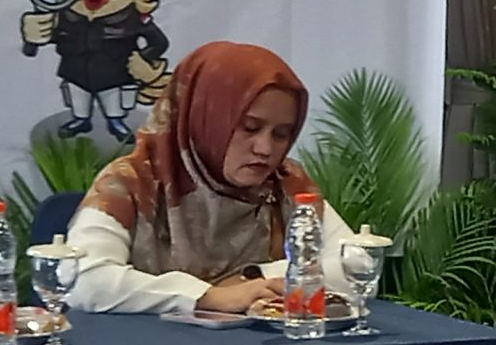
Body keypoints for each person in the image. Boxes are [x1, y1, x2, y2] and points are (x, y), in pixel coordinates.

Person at [65, 40, 313, 315]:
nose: (265, 149)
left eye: (281, 134)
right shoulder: (130, 181)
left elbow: (346, 265)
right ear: (205, 118)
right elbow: (83, 280)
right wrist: (207, 295)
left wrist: (253, 278)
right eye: (250, 128)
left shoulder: (285, 181)